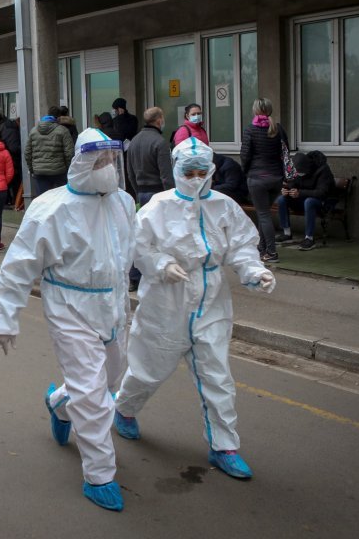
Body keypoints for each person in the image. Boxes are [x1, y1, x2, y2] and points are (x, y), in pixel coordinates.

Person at [113, 138, 275, 481]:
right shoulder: (158, 207)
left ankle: (224, 446)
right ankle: (124, 409)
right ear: (176, 170)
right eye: (190, 171)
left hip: (211, 300)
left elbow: (242, 247)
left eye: (203, 171)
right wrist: (160, 264)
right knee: (147, 370)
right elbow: (137, 247)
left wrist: (254, 271)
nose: (197, 177)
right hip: (165, 301)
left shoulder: (224, 206)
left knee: (217, 375)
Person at [0, 128, 135, 512]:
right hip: (70, 308)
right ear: (84, 163)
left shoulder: (123, 202)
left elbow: (132, 252)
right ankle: (100, 474)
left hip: (115, 308)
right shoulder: (52, 207)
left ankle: (58, 403)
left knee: (107, 381)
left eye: (112, 161)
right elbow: (20, 264)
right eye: (100, 161)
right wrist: (5, 316)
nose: (108, 168)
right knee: (92, 395)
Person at [125, 107, 174, 292]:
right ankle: (159, 273)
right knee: (161, 237)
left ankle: (134, 277)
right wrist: (172, 196)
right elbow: (166, 175)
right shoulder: (160, 142)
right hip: (159, 194)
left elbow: (129, 172)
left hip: (141, 193)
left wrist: (138, 191)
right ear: (159, 120)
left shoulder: (134, 142)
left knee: (141, 236)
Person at [240, 97, 289, 264]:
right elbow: (285, 153)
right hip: (276, 178)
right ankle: (262, 248)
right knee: (264, 214)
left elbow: (245, 155)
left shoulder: (250, 130)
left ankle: (271, 252)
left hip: (257, 178)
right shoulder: (278, 129)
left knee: (263, 214)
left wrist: (246, 172)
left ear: (255, 110)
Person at [275, 151, 335, 251]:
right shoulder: (297, 169)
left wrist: (300, 193)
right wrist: (286, 189)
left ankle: (309, 238)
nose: (299, 174)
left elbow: (322, 192)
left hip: (323, 203)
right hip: (304, 200)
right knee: (282, 199)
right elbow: (292, 183)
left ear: (307, 167)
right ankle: (286, 233)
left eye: (300, 172)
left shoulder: (323, 170)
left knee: (309, 201)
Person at [24, 105, 74, 197]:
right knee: (60, 200)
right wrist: (67, 169)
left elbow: (27, 153)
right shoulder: (63, 131)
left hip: (39, 172)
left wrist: (32, 169)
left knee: (43, 201)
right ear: (59, 118)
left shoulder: (33, 131)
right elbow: (69, 153)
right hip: (59, 172)